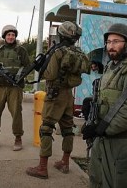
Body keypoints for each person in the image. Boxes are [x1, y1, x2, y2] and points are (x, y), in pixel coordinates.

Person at [82, 23, 127, 188]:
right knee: (96, 181)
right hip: (102, 140)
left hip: (119, 144)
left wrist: (100, 128)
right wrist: (91, 103)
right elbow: (108, 97)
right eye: (108, 42)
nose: (111, 46)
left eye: (116, 41)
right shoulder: (110, 67)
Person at [26, 21, 90, 179]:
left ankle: (42, 168)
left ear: (61, 35)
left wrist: (40, 68)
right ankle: (65, 163)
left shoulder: (58, 52)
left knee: (46, 128)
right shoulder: (77, 52)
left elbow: (50, 74)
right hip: (69, 95)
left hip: (55, 95)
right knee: (68, 130)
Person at [0, 24, 30, 151]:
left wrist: (20, 76)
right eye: (8, 35)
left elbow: (28, 66)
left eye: (13, 35)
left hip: (15, 87)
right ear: (4, 36)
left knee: (16, 113)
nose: (11, 37)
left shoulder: (21, 50)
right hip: (0, 86)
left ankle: (18, 138)